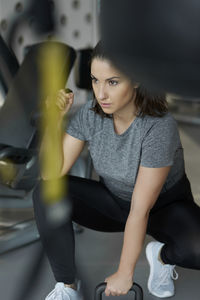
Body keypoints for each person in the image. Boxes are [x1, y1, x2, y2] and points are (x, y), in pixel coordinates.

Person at [33, 41, 200, 300]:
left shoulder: (158, 127)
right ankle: (67, 287)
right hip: (114, 202)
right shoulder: (91, 115)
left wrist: (125, 272)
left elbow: (140, 209)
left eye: (112, 82)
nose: (101, 94)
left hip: (165, 208)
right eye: (95, 80)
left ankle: (161, 257)